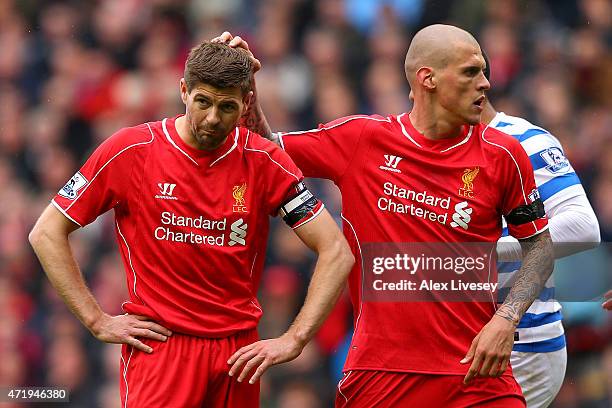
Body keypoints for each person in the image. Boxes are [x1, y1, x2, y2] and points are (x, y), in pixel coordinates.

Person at [216, 25, 554, 407]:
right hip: (381, 375)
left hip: (475, 375)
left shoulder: (504, 155)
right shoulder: (362, 139)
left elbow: (540, 246)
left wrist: (506, 319)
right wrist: (245, 93)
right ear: (427, 79)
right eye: (471, 72)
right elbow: (265, 150)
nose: (486, 84)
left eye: (484, 71)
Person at [29, 42, 354, 407]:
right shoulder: (132, 150)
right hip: (162, 349)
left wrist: (294, 338)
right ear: (183, 90)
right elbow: (46, 231)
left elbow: (336, 250)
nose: (213, 118)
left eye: (227, 106)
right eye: (203, 102)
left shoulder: (263, 161)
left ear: (245, 103)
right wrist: (95, 320)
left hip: (237, 356)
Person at [480, 53, 601, 408]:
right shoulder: (423, 148)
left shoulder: (524, 140)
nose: (412, 102)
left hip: (523, 341)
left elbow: (583, 228)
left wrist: (487, 250)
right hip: (452, 338)